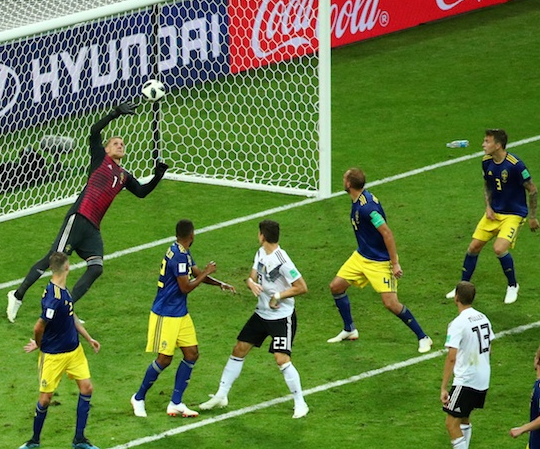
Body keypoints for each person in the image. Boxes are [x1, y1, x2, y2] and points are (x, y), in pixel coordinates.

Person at [6, 101, 168, 320]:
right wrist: (114, 113)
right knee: (52, 260)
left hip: (93, 229)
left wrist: (158, 175)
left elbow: (141, 192)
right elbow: (93, 131)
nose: (120, 146)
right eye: (115, 143)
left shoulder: (123, 176)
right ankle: (16, 296)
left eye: (122, 144)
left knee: (96, 268)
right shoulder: (100, 159)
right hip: (79, 217)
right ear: (107, 148)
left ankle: (66, 309)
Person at [196, 220, 310, 418]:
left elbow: (301, 287)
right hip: (262, 313)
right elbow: (251, 277)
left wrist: (278, 296)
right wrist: (251, 284)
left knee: (281, 359)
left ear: (262, 236)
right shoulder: (260, 254)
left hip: (282, 317)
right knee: (239, 349)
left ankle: (300, 403)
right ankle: (222, 395)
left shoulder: (283, 260)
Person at [130, 219, 235, 419]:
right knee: (164, 359)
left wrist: (219, 283)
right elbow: (185, 287)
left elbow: (195, 273)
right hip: (166, 314)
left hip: (180, 313)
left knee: (192, 353)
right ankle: (138, 397)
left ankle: (176, 402)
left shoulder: (181, 250)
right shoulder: (178, 256)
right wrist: (207, 272)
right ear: (191, 235)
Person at [326, 168, 432, 353]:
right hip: (361, 256)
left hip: (380, 262)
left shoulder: (368, 208)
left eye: (344, 178)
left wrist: (395, 262)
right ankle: (350, 329)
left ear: (349, 184)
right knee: (336, 286)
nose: (342, 180)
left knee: (391, 303)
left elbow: (387, 233)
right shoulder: (358, 200)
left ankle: (423, 337)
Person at [18, 249, 103, 449]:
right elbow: (39, 326)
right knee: (45, 399)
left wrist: (88, 338)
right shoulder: (53, 298)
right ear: (67, 266)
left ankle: (79, 438)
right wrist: (39, 344)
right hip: (53, 356)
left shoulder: (63, 292)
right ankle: (35, 439)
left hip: (74, 352)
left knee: (87, 388)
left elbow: (71, 316)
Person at [446, 129, 539, 305]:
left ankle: (512, 285)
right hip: (494, 213)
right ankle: (461, 286)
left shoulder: (516, 165)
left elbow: (532, 189)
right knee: (473, 247)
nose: (483, 145)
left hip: (513, 214)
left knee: (499, 248)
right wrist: (488, 207)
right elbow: (487, 185)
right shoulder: (486, 161)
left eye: (487, 142)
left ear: (498, 145)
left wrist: (533, 217)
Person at [438, 281, 493, 449]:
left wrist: (444, 387)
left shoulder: (458, 323)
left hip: (467, 380)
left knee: (451, 422)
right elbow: (489, 347)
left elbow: (451, 357)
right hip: (482, 377)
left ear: (456, 298)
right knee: (464, 418)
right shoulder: (483, 317)